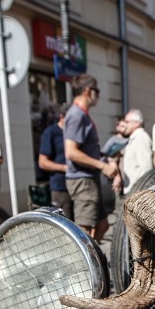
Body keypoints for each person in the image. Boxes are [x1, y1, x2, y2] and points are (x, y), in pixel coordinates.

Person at [63, 74, 119, 242]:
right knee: (84, 231)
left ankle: (94, 262)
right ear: (88, 91)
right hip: (82, 181)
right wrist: (102, 166)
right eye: (97, 91)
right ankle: (85, 267)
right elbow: (71, 152)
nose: (99, 95)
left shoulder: (82, 115)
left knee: (103, 225)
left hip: (89, 179)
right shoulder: (76, 115)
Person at [38, 103, 73, 217]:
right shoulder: (51, 133)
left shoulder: (74, 133)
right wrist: (66, 168)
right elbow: (43, 162)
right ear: (62, 117)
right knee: (66, 225)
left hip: (77, 185)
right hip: (61, 187)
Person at [121, 108, 153, 193]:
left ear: (137, 123)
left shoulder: (141, 138)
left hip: (137, 191)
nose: (125, 125)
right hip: (132, 190)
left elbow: (146, 168)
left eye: (127, 122)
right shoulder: (134, 138)